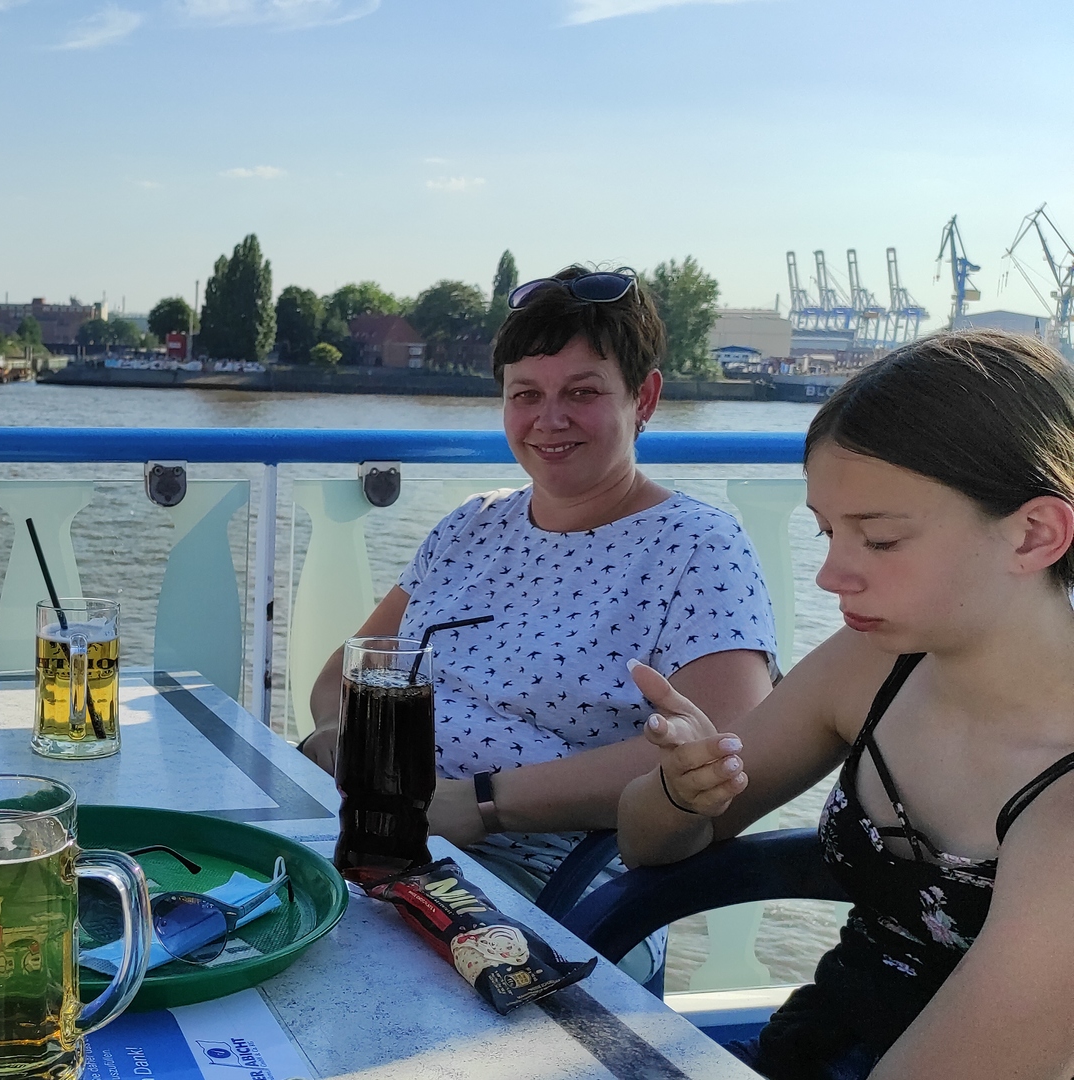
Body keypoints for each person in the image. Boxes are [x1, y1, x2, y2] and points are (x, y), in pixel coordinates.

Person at [302, 265, 777, 981]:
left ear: (644, 398)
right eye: (525, 394)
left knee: (320, 971)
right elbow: (349, 673)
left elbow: (726, 751)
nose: (549, 419)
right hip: (384, 831)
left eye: (582, 392)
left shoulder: (695, 547)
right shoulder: (473, 524)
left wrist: (482, 805)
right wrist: (343, 746)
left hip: (551, 874)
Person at [623, 329, 1074, 1079]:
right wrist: (683, 790)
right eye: (829, 532)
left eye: (881, 540)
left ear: (1034, 534)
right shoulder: (875, 665)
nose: (831, 575)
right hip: (807, 1047)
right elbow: (647, 847)